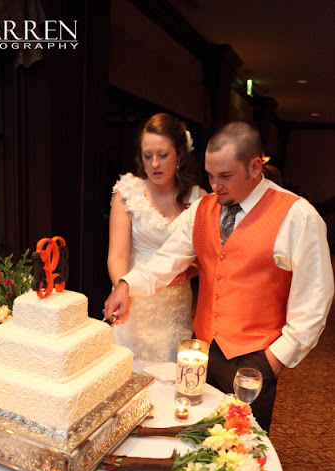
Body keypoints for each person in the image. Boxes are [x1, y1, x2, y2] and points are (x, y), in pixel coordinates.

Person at [104, 121, 334, 432]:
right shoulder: (201, 209)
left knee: (244, 447)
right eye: (210, 175)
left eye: (225, 176)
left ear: (255, 167)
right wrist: (127, 285)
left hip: (255, 357)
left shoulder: (298, 215)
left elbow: (315, 297)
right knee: (196, 436)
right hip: (202, 351)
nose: (215, 186)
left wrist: (277, 358)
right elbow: (166, 261)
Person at [107, 113, 207, 362]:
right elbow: (117, 255)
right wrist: (123, 290)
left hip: (174, 305)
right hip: (133, 301)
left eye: (163, 155)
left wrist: (188, 272)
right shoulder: (127, 194)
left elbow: (206, 260)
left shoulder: (199, 199)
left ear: (179, 154)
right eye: (147, 156)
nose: (154, 164)